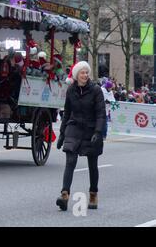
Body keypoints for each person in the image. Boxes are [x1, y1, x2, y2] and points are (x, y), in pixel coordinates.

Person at [56, 61, 106, 211]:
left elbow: (101, 114)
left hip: (91, 129)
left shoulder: (96, 90)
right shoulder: (71, 90)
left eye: (86, 72)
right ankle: (64, 195)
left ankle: (93, 194)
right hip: (74, 126)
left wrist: (98, 132)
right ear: (76, 75)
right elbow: (66, 113)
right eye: (82, 73)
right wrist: (61, 134)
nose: (85, 75)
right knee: (70, 160)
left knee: (92, 164)